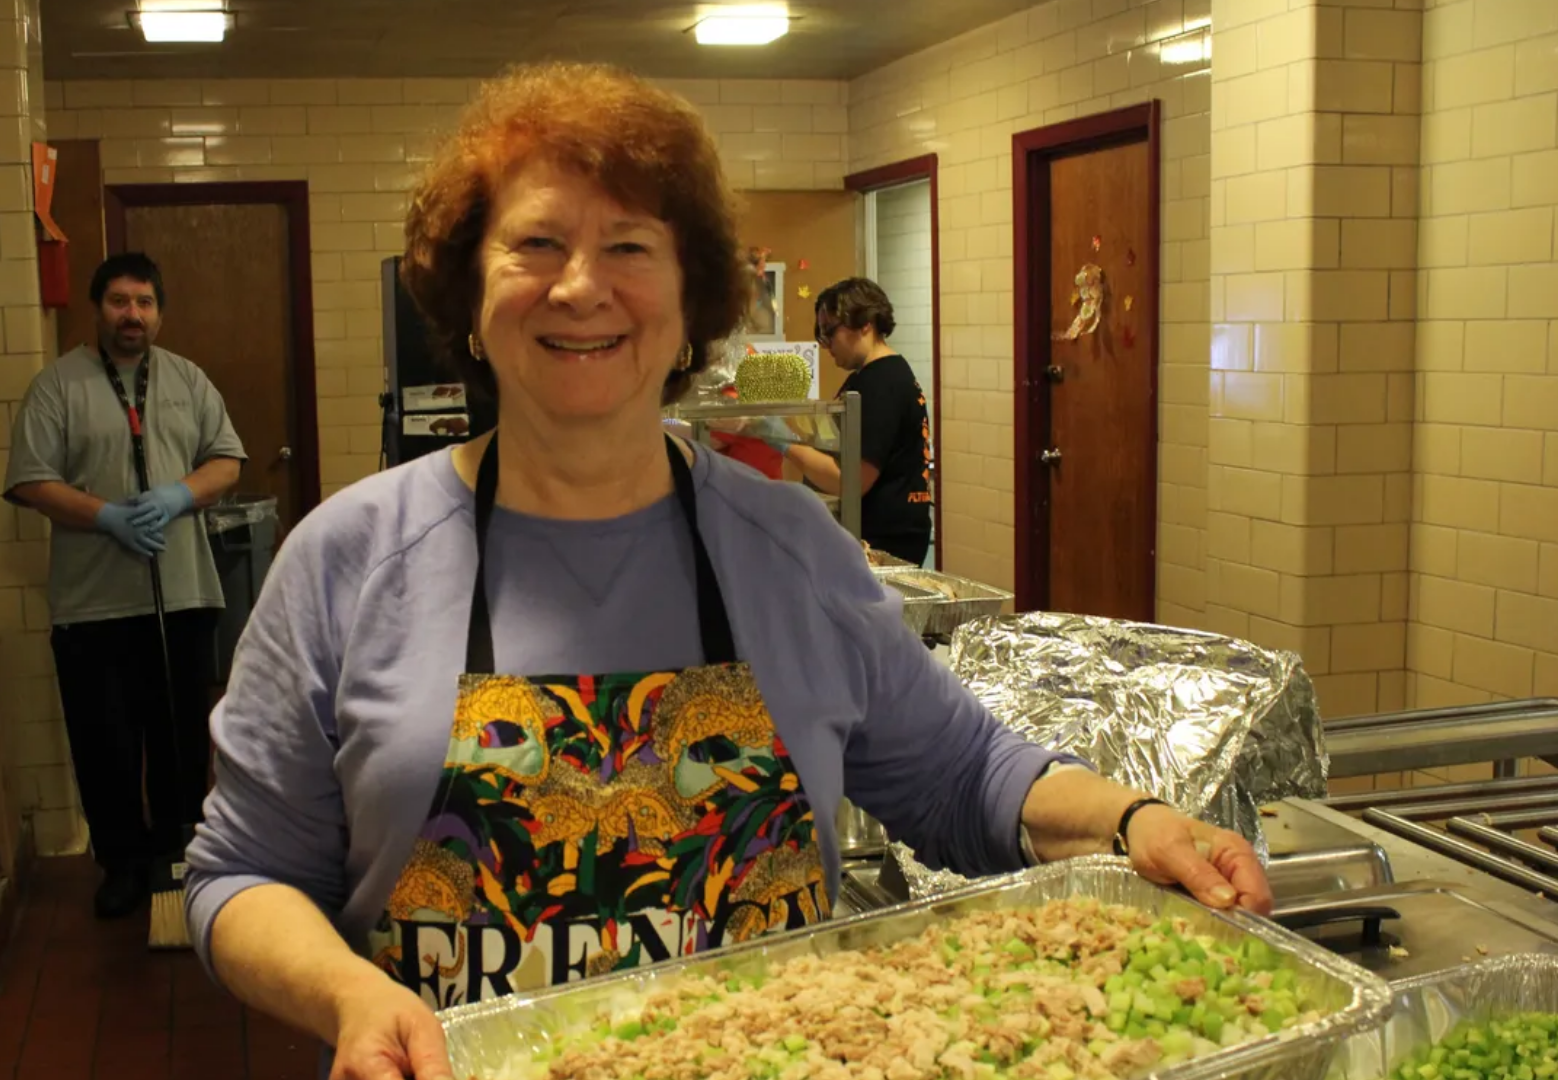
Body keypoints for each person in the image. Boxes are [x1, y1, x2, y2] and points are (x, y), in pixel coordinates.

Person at [185, 63, 1271, 1080]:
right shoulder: (348, 558)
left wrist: (1137, 822)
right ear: (467, 297)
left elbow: (966, 775)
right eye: (535, 245)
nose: (580, 287)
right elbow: (240, 875)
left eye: (628, 248)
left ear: (692, 300)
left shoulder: (790, 547)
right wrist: (345, 996)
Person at [6, 252, 246, 918]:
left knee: (180, 739)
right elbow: (30, 481)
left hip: (183, 596)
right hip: (92, 607)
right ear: (98, 309)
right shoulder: (57, 386)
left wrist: (177, 495)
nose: (131, 314)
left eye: (144, 302)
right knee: (105, 743)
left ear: (159, 312)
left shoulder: (189, 380)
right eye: (119, 301)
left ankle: (179, 855)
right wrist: (104, 516)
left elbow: (227, 463)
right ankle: (121, 864)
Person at [783, 278, 934, 565]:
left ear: (865, 323)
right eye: (821, 335)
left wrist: (782, 442)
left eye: (830, 331)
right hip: (873, 533)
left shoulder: (883, 383)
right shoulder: (867, 378)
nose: (826, 345)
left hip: (884, 543)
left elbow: (850, 481)